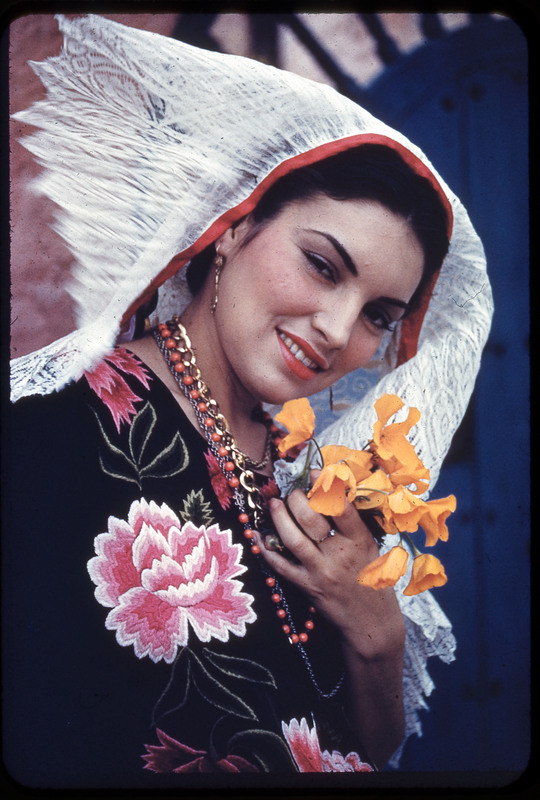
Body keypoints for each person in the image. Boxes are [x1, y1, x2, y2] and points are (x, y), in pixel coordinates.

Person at [5, 14, 492, 789]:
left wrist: (376, 636)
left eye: (379, 317)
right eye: (323, 266)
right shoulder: (52, 431)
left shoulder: (315, 488)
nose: (338, 331)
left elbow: (369, 744)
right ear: (233, 226)